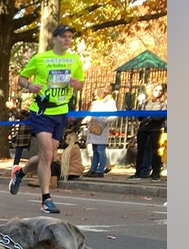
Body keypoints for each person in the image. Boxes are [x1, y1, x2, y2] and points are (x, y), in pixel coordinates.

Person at [11, 24, 83, 213]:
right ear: (54, 39)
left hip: (60, 112)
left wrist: (77, 84)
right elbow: (21, 78)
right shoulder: (40, 58)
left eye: (69, 36)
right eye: (63, 36)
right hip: (42, 111)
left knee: (47, 156)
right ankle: (46, 199)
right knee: (48, 155)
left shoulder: (74, 60)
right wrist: (30, 85)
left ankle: (20, 172)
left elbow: (80, 83)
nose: (67, 40)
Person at [129, 83, 167, 181]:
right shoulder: (146, 101)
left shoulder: (164, 103)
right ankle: (138, 173)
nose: (158, 92)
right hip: (143, 128)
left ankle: (156, 173)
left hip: (155, 128)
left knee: (155, 150)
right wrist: (140, 107)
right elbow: (140, 117)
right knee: (140, 150)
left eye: (160, 91)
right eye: (156, 90)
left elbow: (162, 116)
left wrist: (151, 118)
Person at [84, 86, 117, 177]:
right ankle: (93, 168)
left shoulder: (110, 102)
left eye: (96, 92)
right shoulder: (96, 103)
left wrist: (104, 122)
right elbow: (91, 114)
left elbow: (114, 115)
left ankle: (100, 170)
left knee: (100, 150)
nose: (94, 94)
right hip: (93, 127)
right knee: (95, 150)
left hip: (101, 129)